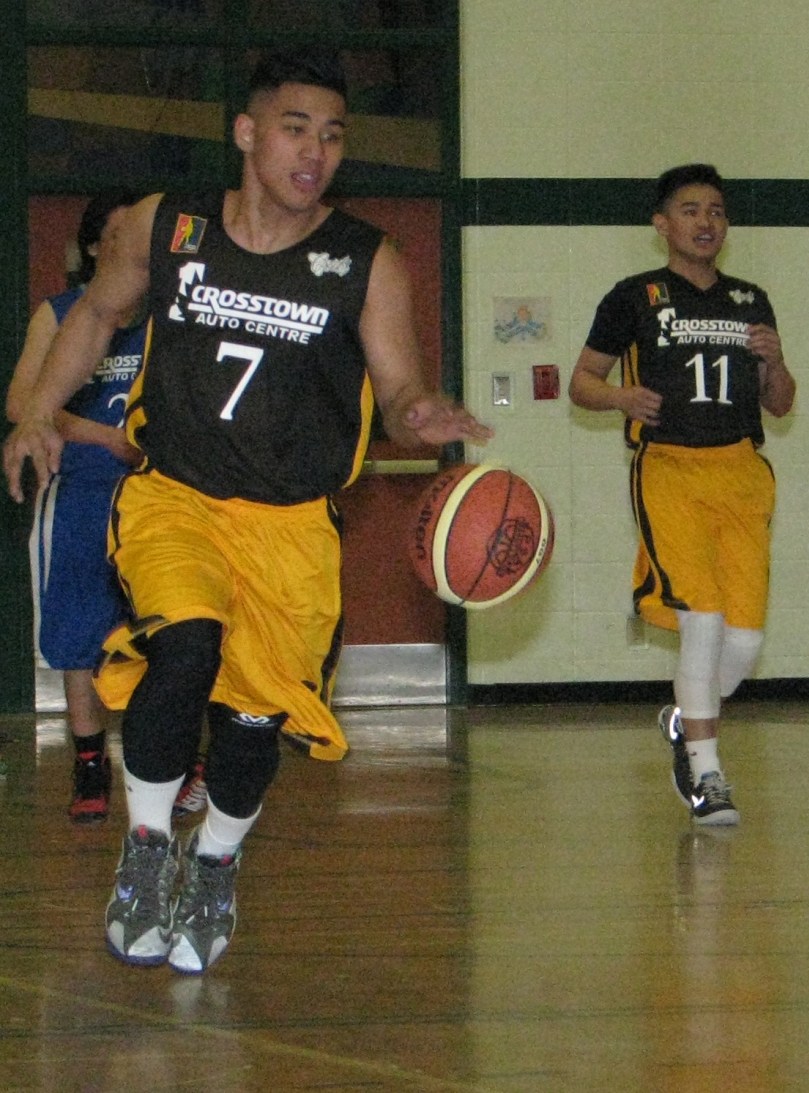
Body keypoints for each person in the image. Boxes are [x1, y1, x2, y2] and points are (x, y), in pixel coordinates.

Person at [4, 49, 492, 973]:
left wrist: (420, 411)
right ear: (248, 133)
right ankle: (148, 848)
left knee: (251, 724)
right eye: (296, 128)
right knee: (183, 646)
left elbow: (398, 390)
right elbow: (97, 317)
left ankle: (216, 859)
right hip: (174, 495)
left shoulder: (364, 259)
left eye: (334, 135)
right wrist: (37, 413)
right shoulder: (168, 227)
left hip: (292, 524)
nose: (316, 151)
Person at [569, 163, 795, 826]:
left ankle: (684, 717)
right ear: (662, 224)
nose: (707, 222)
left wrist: (776, 363)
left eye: (717, 211)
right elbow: (582, 380)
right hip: (669, 469)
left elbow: (780, 405)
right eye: (691, 209)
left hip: (742, 472)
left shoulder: (751, 301)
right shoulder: (632, 297)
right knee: (702, 621)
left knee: (745, 640)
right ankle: (707, 773)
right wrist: (618, 396)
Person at [6, 191, 145, 823]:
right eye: (115, 235)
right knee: (78, 634)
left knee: (172, 630)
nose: (127, 245)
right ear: (93, 248)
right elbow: (22, 405)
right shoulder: (61, 313)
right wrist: (104, 437)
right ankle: (90, 761)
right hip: (82, 489)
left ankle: (175, 755)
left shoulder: (168, 315)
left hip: (155, 497)